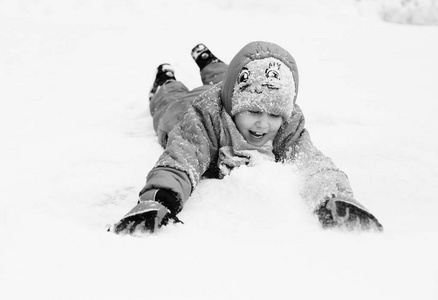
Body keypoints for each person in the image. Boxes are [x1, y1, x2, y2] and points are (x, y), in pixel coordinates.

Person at [110, 41, 383, 234]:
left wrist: (333, 196)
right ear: (233, 103)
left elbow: (310, 161)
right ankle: (165, 80)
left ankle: (211, 63)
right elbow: (182, 158)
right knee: (169, 102)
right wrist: (160, 200)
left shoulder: (286, 123)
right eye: (252, 111)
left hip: (226, 85)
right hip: (183, 107)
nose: (263, 123)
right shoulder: (202, 120)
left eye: (274, 115)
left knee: (224, 75)